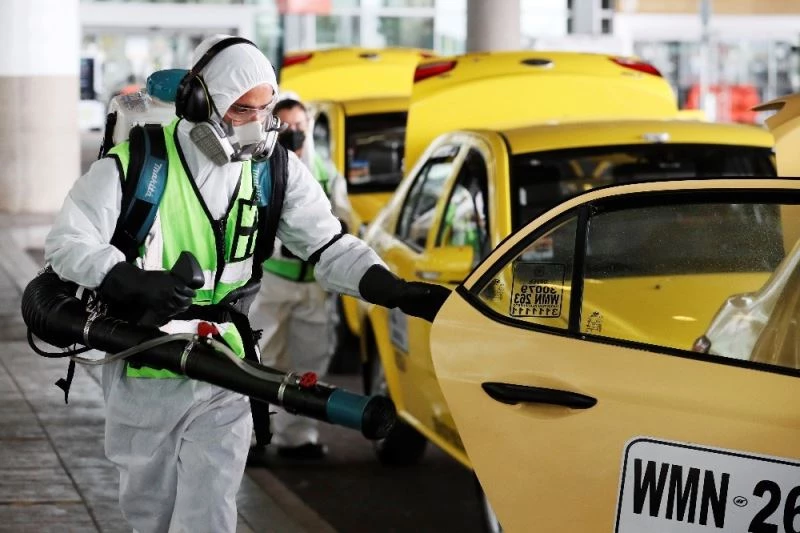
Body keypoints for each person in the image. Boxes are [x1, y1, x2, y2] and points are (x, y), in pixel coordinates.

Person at [44, 34, 449, 533]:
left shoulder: (275, 169)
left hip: (225, 362)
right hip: (144, 358)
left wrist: (390, 288)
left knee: (211, 513)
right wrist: (128, 281)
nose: (256, 124)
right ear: (199, 103)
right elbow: (67, 243)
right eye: (240, 109)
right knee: (150, 514)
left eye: (265, 107)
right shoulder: (136, 166)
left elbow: (326, 244)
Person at [248, 97, 349, 463]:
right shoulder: (261, 166)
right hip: (273, 282)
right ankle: (255, 435)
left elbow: (344, 215)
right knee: (262, 358)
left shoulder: (325, 171)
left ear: (309, 127)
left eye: (299, 125)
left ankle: (299, 437)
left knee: (311, 361)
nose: (293, 132)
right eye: (285, 125)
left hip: (314, 285)